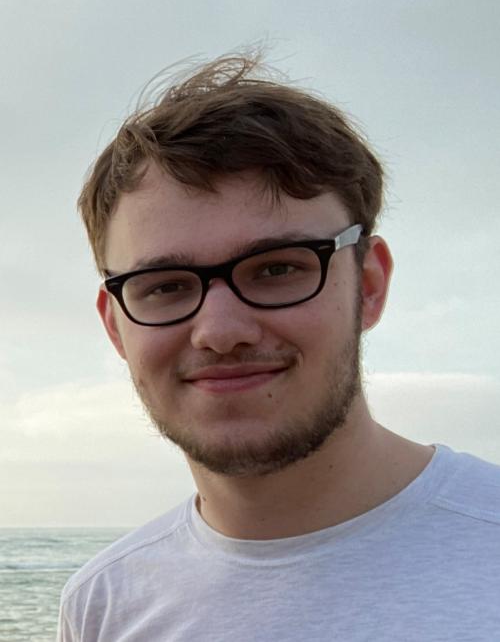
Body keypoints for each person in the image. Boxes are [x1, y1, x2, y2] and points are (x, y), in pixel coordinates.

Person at [58, 52, 500, 641]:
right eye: (163, 286)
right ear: (116, 326)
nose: (220, 331)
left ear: (369, 285)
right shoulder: (103, 605)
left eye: (276, 269)